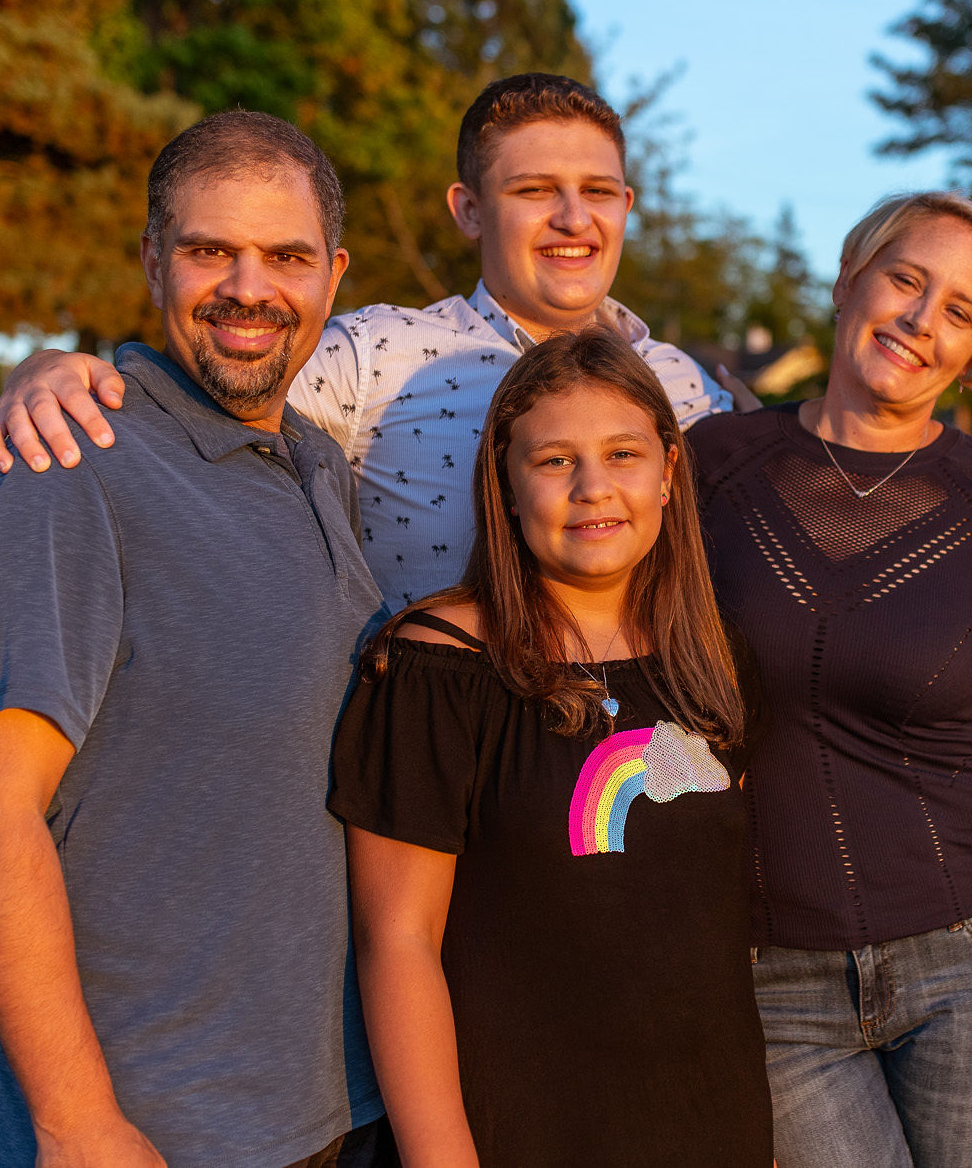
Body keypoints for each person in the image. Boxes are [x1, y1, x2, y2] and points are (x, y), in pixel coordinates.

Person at [0, 111, 394, 1168]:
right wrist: (76, 1122)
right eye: (206, 250)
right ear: (151, 261)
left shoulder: (321, 466)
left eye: (284, 256)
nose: (247, 287)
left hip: (326, 1099)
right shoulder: (68, 463)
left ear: (332, 275)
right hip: (155, 1121)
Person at [0, 73, 734, 612]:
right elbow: (203, 403)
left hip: (617, 769)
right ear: (469, 209)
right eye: (534, 190)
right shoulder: (376, 353)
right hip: (431, 767)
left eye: (597, 191)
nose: (574, 217)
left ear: (626, 205)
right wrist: (51, 366)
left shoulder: (685, 390)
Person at [685, 192, 972, 1168]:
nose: (918, 320)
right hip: (770, 962)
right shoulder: (708, 468)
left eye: (957, 311)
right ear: (846, 280)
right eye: (905, 280)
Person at [330, 326, 772, 1167]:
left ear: (671, 473)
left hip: (707, 1124)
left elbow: (713, 931)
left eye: (622, 453)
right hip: (517, 1132)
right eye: (554, 461)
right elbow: (397, 943)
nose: (594, 487)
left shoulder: (714, 658)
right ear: (503, 485)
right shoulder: (437, 665)